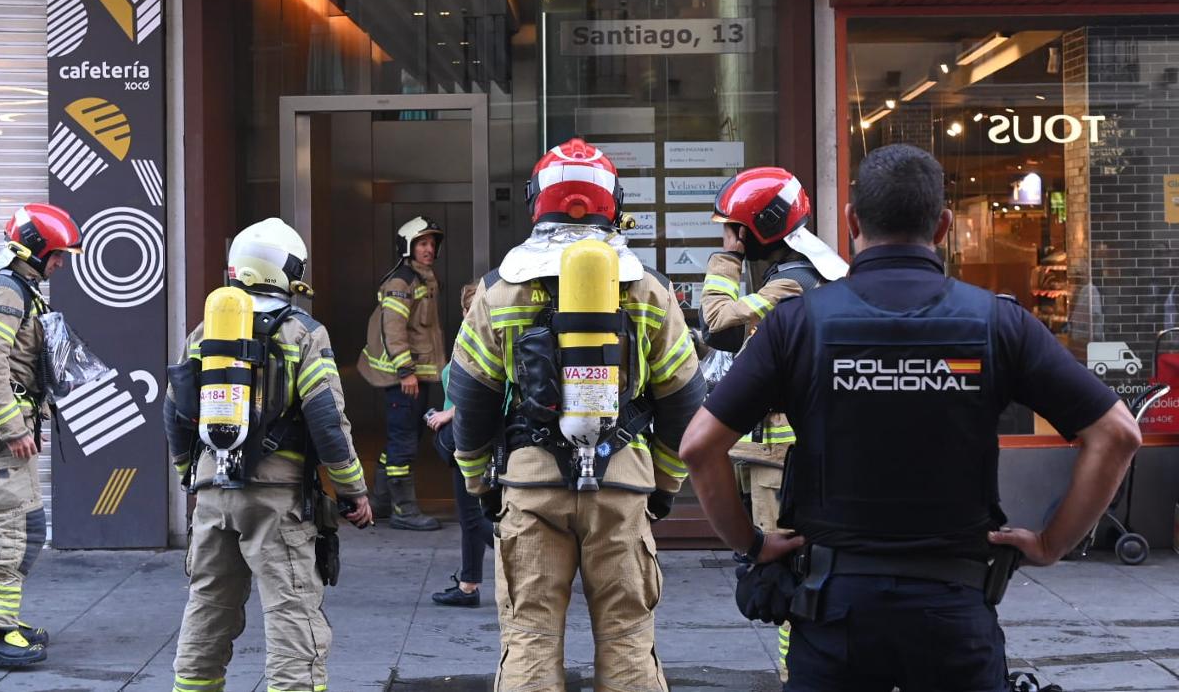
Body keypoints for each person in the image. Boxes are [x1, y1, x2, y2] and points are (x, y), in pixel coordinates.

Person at [682, 143, 1141, 691]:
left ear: (852, 222)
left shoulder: (797, 323)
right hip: (955, 613)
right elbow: (1117, 434)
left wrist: (752, 545)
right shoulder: (997, 322)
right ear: (944, 226)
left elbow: (698, 447)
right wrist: (1050, 544)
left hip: (833, 614)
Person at [450, 138, 706, 691]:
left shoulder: (498, 291)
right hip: (623, 488)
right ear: (613, 202)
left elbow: (469, 398)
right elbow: (685, 397)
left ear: (535, 201)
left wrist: (480, 484)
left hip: (530, 483)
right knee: (628, 637)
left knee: (531, 637)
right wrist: (663, 485)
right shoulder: (649, 288)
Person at [165, 217, 372, 692]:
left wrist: (190, 476)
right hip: (277, 500)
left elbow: (175, 413)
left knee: (208, 604)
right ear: (289, 271)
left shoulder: (203, 333)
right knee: (292, 610)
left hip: (213, 492)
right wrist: (352, 490)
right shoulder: (302, 333)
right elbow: (327, 421)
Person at [0, 203, 82, 665]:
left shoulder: (15, 284)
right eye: (57, 254)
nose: (61, 263)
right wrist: (12, 428)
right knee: (17, 526)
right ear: (35, 248)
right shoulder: (6, 289)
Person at [701, 167, 846, 534]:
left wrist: (728, 258)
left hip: (778, 453)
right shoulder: (810, 273)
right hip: (778, 448)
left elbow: (718, 325)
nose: (728, 235)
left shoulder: (792, 284)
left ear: (752, 230)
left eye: (731, 227)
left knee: (776, 557)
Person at [358, 216, 446, 530]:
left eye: (432, 244)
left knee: (404, 438)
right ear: (408, 246)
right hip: (403, 379)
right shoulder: (401, 282)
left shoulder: (424, 278)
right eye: (422, 243)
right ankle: (403, 510)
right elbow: (393, 330)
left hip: (415, 377)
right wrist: (406, 371)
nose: (429, 249)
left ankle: (381, 501)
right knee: (404, 442)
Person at [429, 282, 494, 607]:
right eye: (468, 311)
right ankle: (468, 584)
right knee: (470, 513)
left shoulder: (483, 341)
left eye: (474, 311)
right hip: (467, 433)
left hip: (470, 436)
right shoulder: (473, 339)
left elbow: (484, 385)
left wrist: (448, 414)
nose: (470, 317)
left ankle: (523, 549)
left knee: (473, 515)